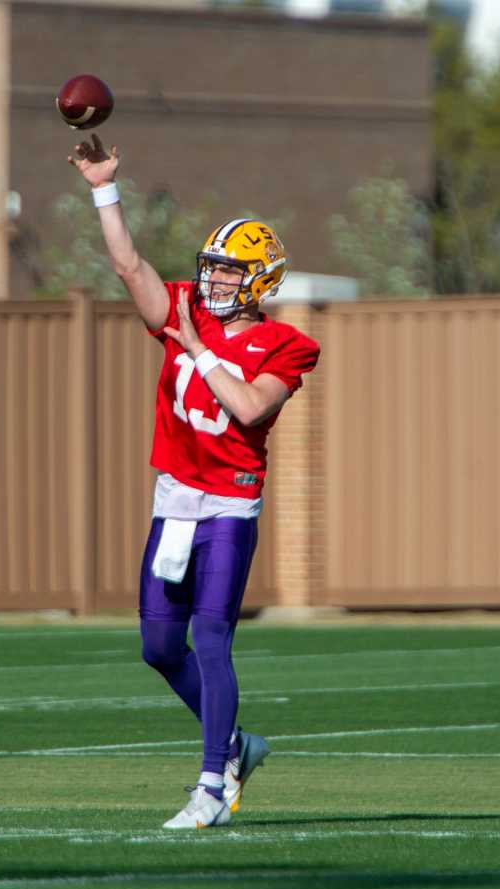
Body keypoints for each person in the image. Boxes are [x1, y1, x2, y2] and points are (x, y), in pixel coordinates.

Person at [68, 134, 321, 829]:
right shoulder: (190, 313)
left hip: (230, 507)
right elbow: (127, 265)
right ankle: (235, 742)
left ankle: (213, 785)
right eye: (211, 268)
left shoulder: (285, 343)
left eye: (229, 271)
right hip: (174, 500)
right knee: (157, 647)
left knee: (211, 638)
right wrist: (103, 188)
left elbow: (247, 407)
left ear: (261, 279)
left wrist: (198, 347)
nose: (213, 282)